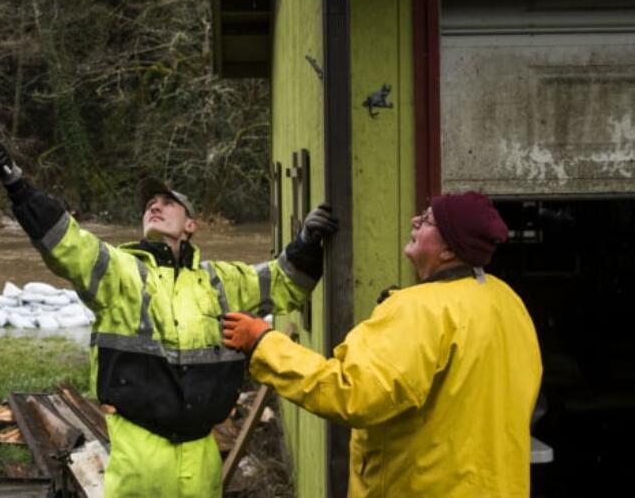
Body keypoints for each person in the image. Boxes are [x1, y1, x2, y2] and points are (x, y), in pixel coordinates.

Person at [0, 137, 337, 498]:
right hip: (138, 457)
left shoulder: (224, 281)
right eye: (150, 204)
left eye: (168, 202)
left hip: (201, 458)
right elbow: (68, 243)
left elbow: (286, 282)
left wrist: (307, 240)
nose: (155, 206)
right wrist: (15, 183)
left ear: (191, 225)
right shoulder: (121, 273)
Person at [222, 191, 542, 498]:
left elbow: (351, 392)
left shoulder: (420, 310)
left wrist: (262, 343)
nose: (415, 220)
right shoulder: (506, 300)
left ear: (449, 250)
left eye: (429, 221)